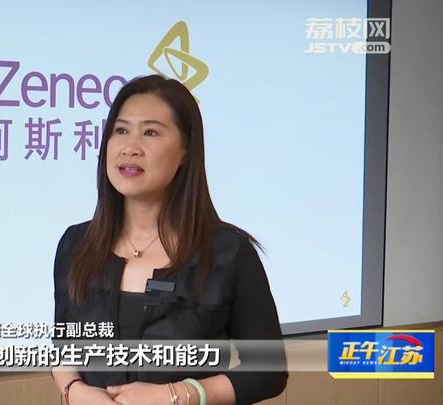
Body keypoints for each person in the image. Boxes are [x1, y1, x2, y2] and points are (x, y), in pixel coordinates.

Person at [50, 74, 287, 405]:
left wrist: (177, 395)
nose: (130, 147)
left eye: (150, 132)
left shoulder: (228, 253)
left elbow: (269, 370)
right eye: (120, 130)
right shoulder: (76, 244)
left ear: (185, 152)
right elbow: (64, 345)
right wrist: (75, 391)